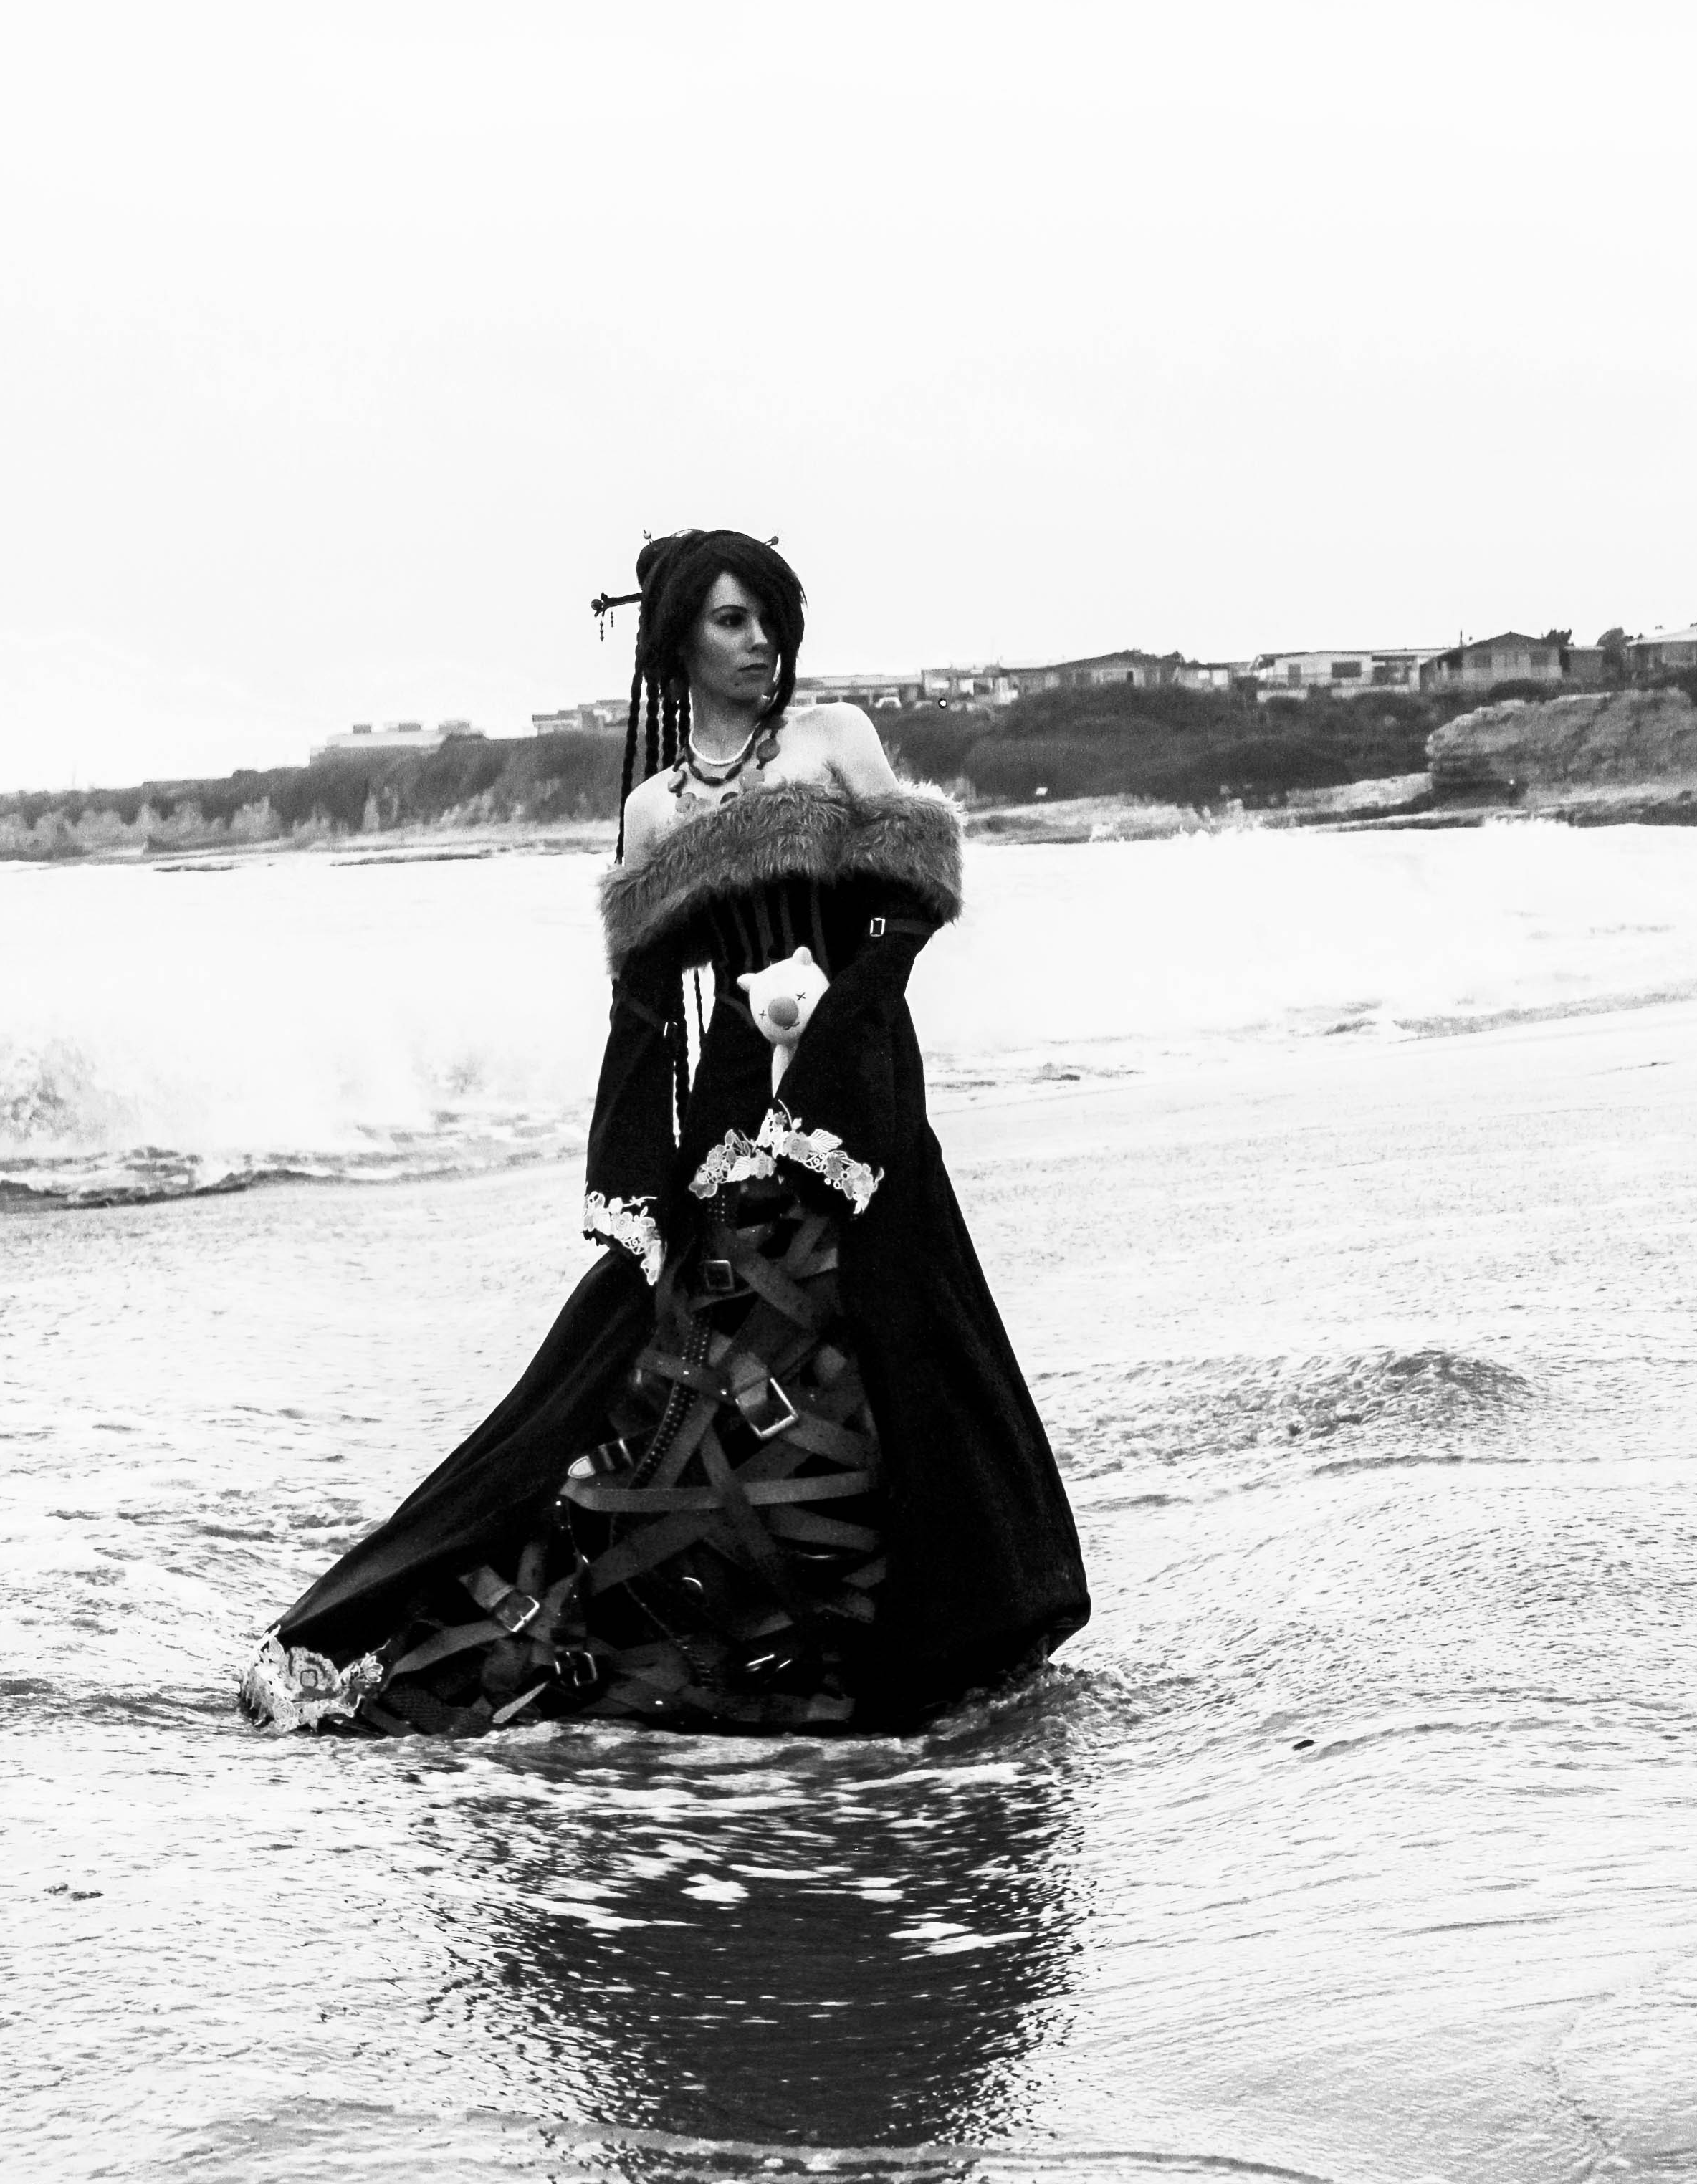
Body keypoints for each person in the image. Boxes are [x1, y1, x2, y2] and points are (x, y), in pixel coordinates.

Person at [242, 528, 1089, 1735]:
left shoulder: (834, 740)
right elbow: (642, 1017)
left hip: (857, 1093)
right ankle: (685, 1634)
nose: (762, 644)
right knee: (671, 1360)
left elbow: (910, 906)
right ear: (677, 639)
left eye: (773, 619)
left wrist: (838, 1019)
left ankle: (930, 1639)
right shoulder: (653, 812)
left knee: (885, 1348)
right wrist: (630, 1186)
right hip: (732, 1109)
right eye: (734, 621)